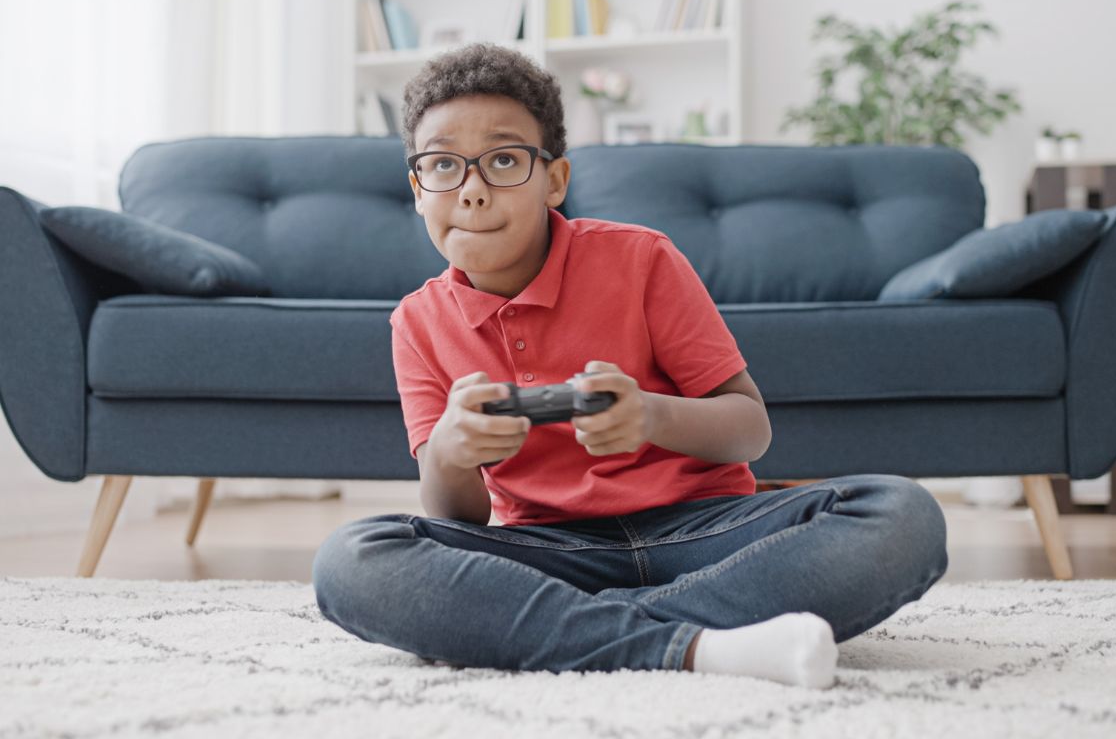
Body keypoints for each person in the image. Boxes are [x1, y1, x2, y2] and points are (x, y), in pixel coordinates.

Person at [312, 42, 948, 688]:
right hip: (551, 553)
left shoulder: (642, 259)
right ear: (418, 189)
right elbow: (459, 520)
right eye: (443, 165)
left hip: (708, 534)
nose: (472, 191)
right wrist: (450, 450)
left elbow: (750, 428)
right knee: (351, 560)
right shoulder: (416, 321)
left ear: (554, 180)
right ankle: (704, 647)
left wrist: (649, 415)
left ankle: (569, 631)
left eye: (504, 160)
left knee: (901, 516)